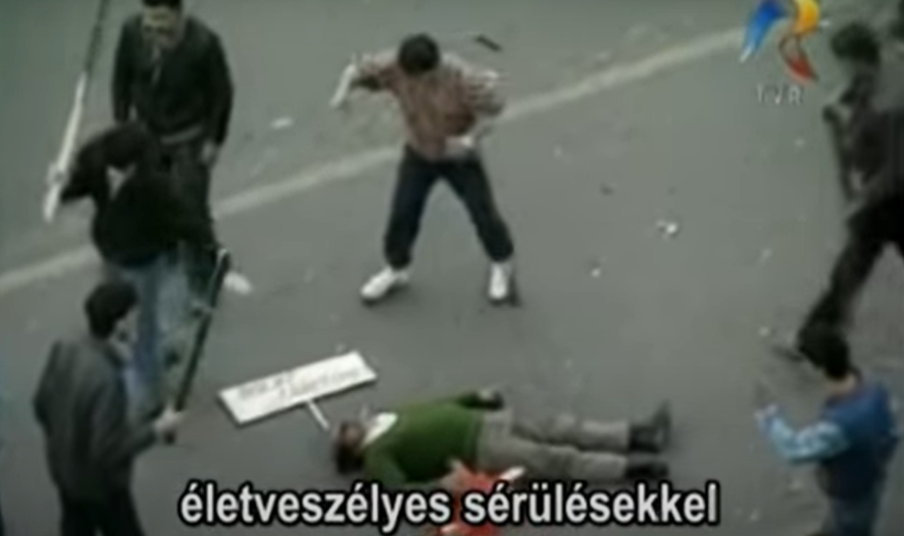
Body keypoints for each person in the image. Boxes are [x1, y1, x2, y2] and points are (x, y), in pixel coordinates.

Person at [329, 33, 518, 305]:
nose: (413, 84)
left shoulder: (464, 79)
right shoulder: (396, 65)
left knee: (482, 214)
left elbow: (492, 113)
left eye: (420, 78)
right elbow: (355, 71)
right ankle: (397, 268)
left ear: (434, 68)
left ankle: (501, 263)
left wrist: (470, 138)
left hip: (457, 156)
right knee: (403, 212)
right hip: (418, 151)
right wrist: (342, 95)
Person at [59, 122, 215, 418]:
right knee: (141, 325)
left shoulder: (141, 178)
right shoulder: (125, 173)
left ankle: (140, 381)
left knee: (139, 322)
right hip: (131, 255)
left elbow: (184, 219)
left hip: (126, 253)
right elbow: (185, 220)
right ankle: (144, 388)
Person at [777, 22, 904, 366]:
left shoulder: (890, 107)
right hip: (879, 203)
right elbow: (854, 104)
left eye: (845, 62)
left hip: (890, 201)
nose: (842, 69)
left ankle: (812, 338)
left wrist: (860, 202)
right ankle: (812, 337)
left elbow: (896, 170)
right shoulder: (870, 83)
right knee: (848, 272)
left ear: (859, 60)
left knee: (848, 272)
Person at [112, 0, 250, 298]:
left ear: (179, 16)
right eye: (149, 27)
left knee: (191, 208)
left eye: (164, 27)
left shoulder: (204, 44)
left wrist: (214, 139)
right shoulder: (131, 33)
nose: (155, 35)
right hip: (147, 137)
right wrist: (122, 126)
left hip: (188, 138)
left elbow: (221, 94)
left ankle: (210, 270)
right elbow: (121, 80)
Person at [33, 280, 185, 536]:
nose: (138, 321)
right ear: (120, 324)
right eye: (134, 315)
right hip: (100, 487)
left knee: (75, 526)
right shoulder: (107, 380)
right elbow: (109, 450)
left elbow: (40, 405)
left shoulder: (64, 348)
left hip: (63, 469)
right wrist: (157, 429)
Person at [331, 388, 672, 488]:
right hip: (482, 448)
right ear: (352, 453)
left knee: (564, 427)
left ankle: (639, 435)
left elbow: (437, 405)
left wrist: (474, 397)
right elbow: (400, 492)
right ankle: (631, 469)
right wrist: (441, 486)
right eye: (342, 438)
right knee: (555, 459)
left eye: (342, 428)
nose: (345, 429)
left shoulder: (386, 417)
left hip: (485, 419)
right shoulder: (377, 456)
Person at [754, 327, 898, 536]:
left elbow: (793, 449)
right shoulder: (875, 390)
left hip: (851, 492)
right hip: (872, 477)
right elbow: (892, 433)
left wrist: (768, 415)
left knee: (849, 525)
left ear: (819, 370)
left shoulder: (839, 427)